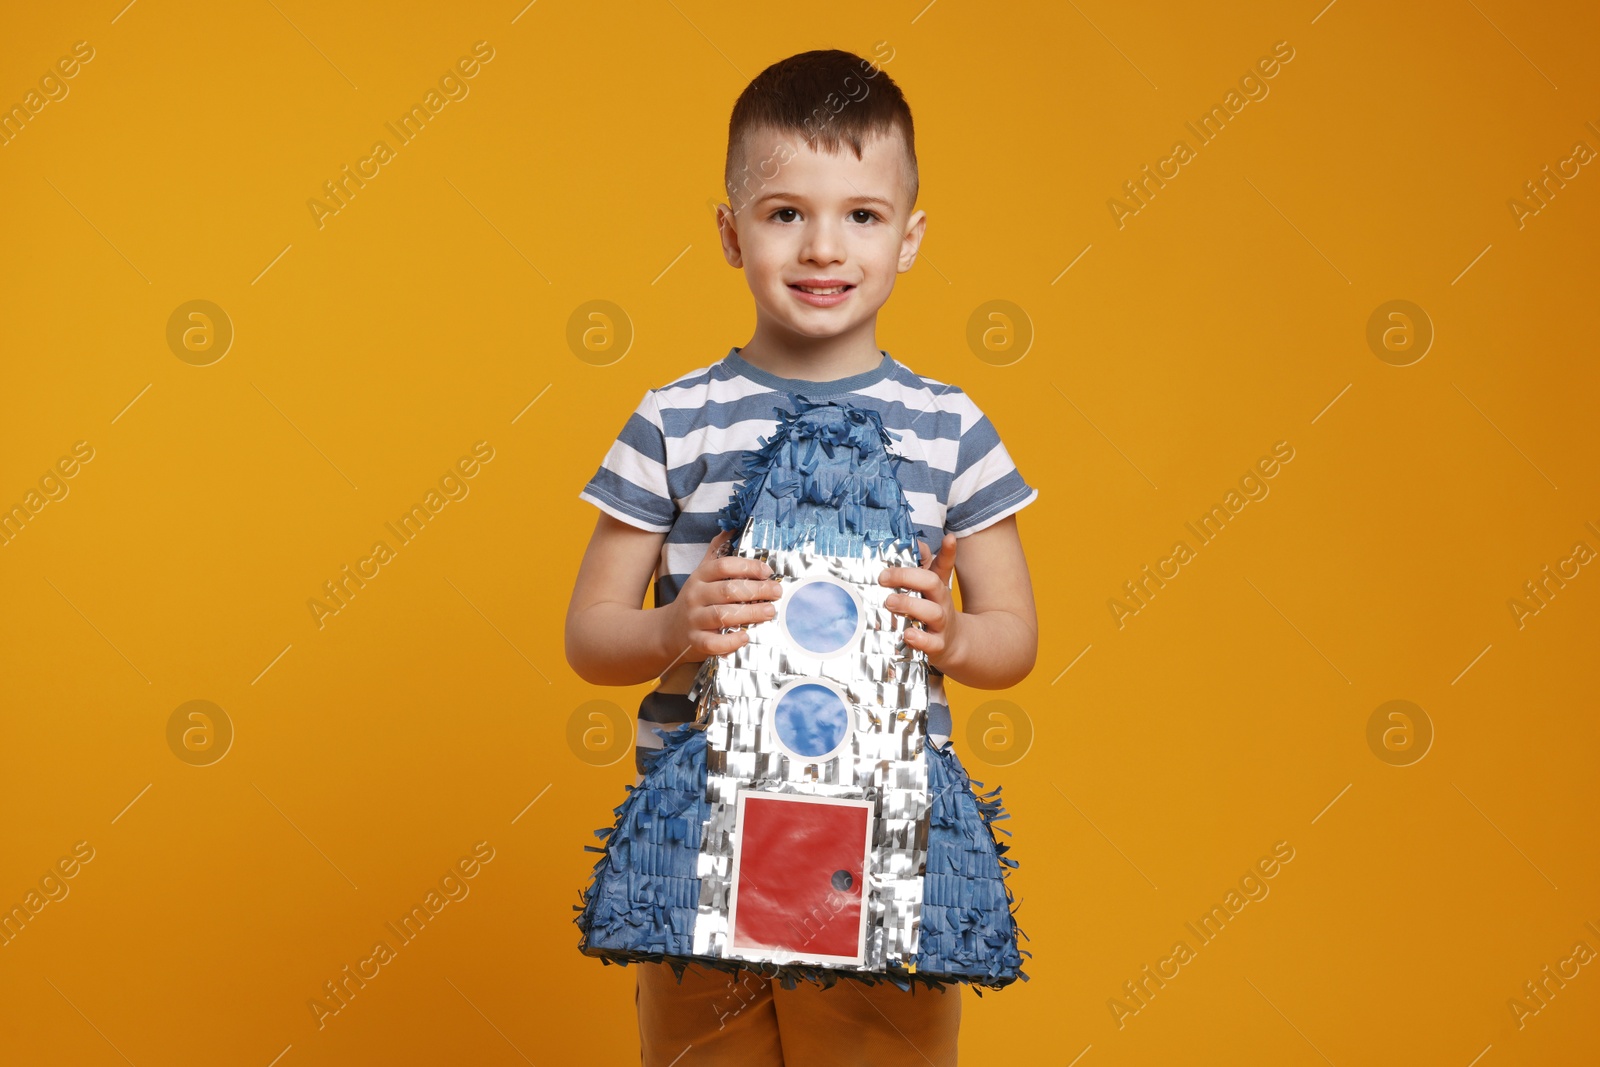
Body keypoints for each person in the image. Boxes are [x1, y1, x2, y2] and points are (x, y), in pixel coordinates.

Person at [564, 47, 1039, 1067]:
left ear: (909, 238)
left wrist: (953, 631)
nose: (824, 245)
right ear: (732, 234)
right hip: (701, 843)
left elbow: (1013, 637)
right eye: (786, 213)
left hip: (879, 838)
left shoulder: (951, 427)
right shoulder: (673, 418)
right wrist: (668, 625)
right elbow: (591, 635)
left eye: (861, 214)